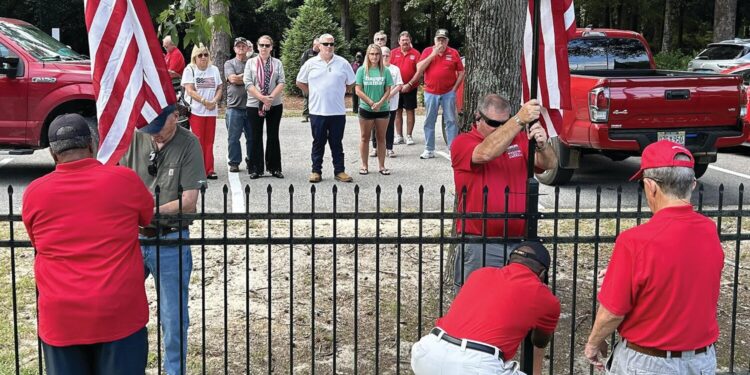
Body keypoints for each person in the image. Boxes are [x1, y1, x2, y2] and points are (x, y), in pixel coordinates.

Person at [22, 114, 153, 375]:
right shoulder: (124, 180)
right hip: (119, 311)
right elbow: (147, 218)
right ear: (92, 147)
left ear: (53, 154)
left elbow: (36, 240)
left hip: (62, 317)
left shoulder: (34, 193)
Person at [584, 140, 722, 374]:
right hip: (701, 360)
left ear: (651, 187)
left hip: (648, 361)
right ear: (692, 184)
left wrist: (593, 343)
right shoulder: (709, 230)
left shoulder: (634, 241)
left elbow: (612, 312)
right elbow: (686, 275)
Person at [121, 104, 206, 375]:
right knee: (122, 311)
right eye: (149, 129)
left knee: (173, 317)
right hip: (133, 239)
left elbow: (189, 202)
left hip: (170, 238)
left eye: (159, 128)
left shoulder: (189, 144)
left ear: (175, 116)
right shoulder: (136, 138)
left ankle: (173, 371)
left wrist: (148, 212)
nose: (154, 134)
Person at [451, 94, 557, 290]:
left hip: (519, 245)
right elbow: (485, 153)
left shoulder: (518, 139)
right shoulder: (463, 142)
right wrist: (517, 120)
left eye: (504, 122)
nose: (500, 128)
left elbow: (548, 164)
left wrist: (542, 146)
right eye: (493, 123)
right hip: (480, 244)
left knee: (512, 305)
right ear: (478, 118)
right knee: (476, 304)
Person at [412, 241, 560, 375]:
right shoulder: (546, 299)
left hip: (428, 352)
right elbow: (540, 341)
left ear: (509, 262)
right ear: (542, 274)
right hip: (478, 365)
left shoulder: (479, 273)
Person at [296, 33, 356, 183]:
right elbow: (300, 81)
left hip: (337, 111)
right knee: (318, 142)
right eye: (325, 44)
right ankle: (316, 171)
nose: (329, 47)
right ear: (319, 46)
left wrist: (342, 91)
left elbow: (351, 82)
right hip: (317, 111)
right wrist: (312, 92)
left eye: (331, 44)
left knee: (337, 143)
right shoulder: (310, 63)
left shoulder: (342, 63)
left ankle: (339, 171)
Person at [414, 29, 464, 158]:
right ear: (435, 40)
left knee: (451, 121)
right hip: (431, 92)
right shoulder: (427, 51)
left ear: (447, 41)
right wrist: (433, 54)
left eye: (443, 39)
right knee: (429, 121)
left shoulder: (453, 53)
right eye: (438, 39)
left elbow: (461, 72)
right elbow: (419, 68)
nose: (441, 42)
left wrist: (454, 88)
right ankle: (429, 149)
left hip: (448, 92)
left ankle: (452, 149)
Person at [244, 35, 286, 179]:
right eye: (261, 45)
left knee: (273, 135)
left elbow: (281, 82)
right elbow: (248, 83)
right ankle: (256, 168)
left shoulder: (277, 63)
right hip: (254, 103)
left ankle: (274, 168)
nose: (264, 48)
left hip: (274, 103)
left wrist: (270, 98)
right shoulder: (250, 63)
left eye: (267, 45)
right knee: (255, 136)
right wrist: (262, 98)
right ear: (257, 46)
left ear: (271, 47)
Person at [182, 43, 222, 179]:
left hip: (211, 110)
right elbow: (189, 90)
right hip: (197, 110)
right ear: (195, 57)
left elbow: (220, 88)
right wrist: (205, 101)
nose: (203, 57)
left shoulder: (214, 69)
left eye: (206, 54)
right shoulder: (190, 69)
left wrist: (214, 101)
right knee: (198, 141)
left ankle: (209, 169)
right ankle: (199, 170)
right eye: (200, 55)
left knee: (209, 141)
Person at [355, 44, 393, 176]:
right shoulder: (361, 70)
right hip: (366, 108)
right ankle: (364, 165)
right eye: (372, 54)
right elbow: (358, 90)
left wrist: (380, 103)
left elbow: (388, 90)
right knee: (365, 137)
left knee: (381, 138)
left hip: (382, 109)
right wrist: (371, 102)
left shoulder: (385, 71)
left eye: (377, 54)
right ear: (367, 55)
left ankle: (382, 166)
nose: (375, 57)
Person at [224, 37, 251, 173]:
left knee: (252, 137)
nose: (241, 48)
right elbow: (232, 79)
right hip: (234, 107)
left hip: (251, 106)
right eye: (238, 46)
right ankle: (234, 162)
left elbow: (255, 80)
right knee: (233, 137)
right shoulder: (229, 63)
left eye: (243, 46)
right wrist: (246, 78)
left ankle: (251, 160)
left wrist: (241, 77)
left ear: (247, 48)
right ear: (234, 49)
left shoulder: (252, 62)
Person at [371, 46, 402, 158]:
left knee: (389, 126)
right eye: (382, 55)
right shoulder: (375, 69)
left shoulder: (395, 69)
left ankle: (389, 148)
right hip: (377, 102)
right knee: (375, 125)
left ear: (390, 56)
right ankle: (375, 148)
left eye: (387, 55)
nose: (385, 57)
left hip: (391, 103)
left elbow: (399, 85)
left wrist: (388, 96)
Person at [391, 31, 420, 146]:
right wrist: (396, 86)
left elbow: (419, 71)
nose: (405, 42)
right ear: (399, 41)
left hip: (410, 87)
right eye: (403, 40)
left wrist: (409, 84)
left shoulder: (416, 54)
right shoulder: (393, 53)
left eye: (407, 40)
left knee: (410, 111)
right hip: (396, 88)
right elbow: (389, 69)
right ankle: (399, 135)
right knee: (397, 111)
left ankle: (409, 135)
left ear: (410, 41)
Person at [300, 37, 320, 123]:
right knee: (306, 96)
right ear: (313, 44)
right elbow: (302, 66)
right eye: (315, 45)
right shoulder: (307, 53)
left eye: (318, 45)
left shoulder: (322, 54)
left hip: (318, 80)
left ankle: (314, 115)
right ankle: (305, 115)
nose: (316, 46)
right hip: (308, 80)